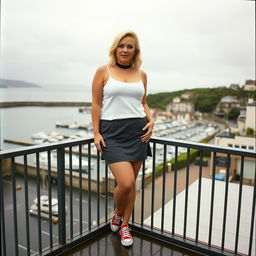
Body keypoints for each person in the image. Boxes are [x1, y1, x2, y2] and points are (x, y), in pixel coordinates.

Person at [91, 30, 154, 247]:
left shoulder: (141, 74)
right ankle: (117, 211)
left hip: (138, 132)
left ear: (135, 50)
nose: (125, 50)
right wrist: (96, 133)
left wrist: (151, 119)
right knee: (125, 183)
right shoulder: (103, 71)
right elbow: (96, 104)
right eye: (122, 46)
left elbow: (143, 102)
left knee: (132, 184)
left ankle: (124, 225)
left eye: (130, 46)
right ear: (115, 48)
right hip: (113, 134)